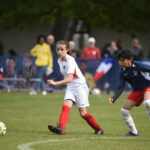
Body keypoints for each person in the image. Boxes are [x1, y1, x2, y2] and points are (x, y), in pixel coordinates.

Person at [47, 40, 103, 135]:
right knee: (65, 106)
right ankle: (61, 128)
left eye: (62, 49)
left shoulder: (70, 60)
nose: (59, 51)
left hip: (80, 86)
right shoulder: (59, 60)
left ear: (67, 50)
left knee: (83, 113)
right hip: (71, 85)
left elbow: (69, 79)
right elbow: (69, 80)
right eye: (58, 49)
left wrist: (55, 83)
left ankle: (98, 129)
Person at [109, 49, 150, 136]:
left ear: (129, 60)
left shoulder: (138, 65)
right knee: (124, 111)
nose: (120, 62)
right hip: (137, 91)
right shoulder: (122, 73)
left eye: (122, 60)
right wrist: (114, 97)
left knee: (147, 103)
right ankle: (134, 132)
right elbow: (121, 87)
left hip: (148, 86)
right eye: (119, 60)